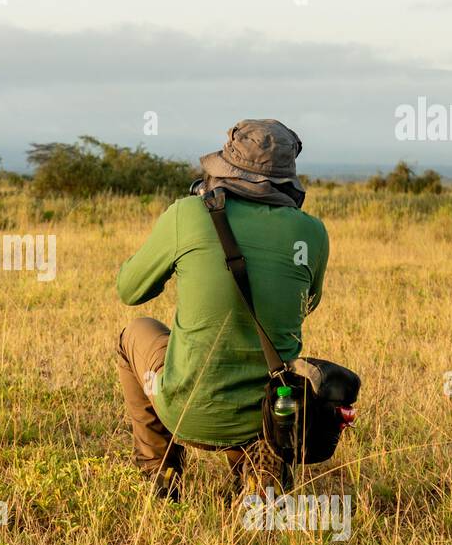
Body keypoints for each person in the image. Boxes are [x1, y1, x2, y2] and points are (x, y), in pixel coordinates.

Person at [115, 119, 328, 499]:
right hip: (271, 413)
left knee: (134, 333)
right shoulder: (312, 232)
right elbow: (305, 305)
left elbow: (129, 289)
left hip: (186, 407)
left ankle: (161, 477)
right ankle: (255, 460)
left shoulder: (188, 214)